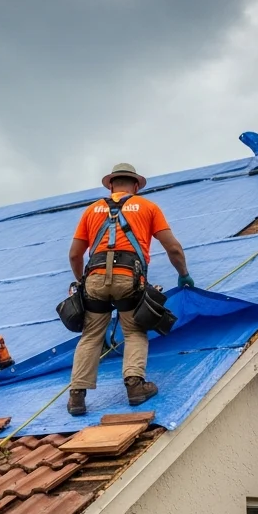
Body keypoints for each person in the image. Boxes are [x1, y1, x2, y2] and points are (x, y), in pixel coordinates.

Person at [66, 163, 193, 416]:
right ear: (136, 186)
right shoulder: (148, 207)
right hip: (128, 278)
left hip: (95, 278)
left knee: (91, 335)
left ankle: (77, 397)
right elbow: (174, 248)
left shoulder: (92, 210)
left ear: (111, 184)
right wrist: (184, 275)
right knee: (134, 331)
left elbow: (74, 255)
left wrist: (81, 283)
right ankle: (135, 387)